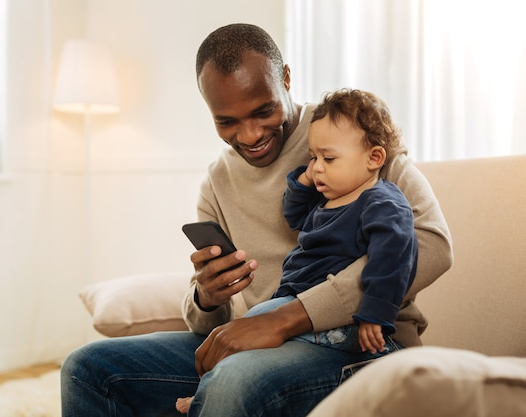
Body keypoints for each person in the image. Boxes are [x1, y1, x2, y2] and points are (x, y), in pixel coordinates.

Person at [61, 23, 452, 417]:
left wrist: (288, 318)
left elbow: (432, 246)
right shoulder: (218, 181)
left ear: (285, 78)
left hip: (361, 343)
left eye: (264, 111)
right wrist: (207, 297)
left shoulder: (347, 133)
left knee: (236, 380)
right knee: (87, 369)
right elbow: (206, 322)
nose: (249, 135)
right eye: (226, 121)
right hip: (256, 342)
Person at [175, 88, 419, 414]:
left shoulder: (381, 201)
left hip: (340, 327)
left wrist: (374, 315)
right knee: (91, 365)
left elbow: (393, 259)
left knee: (249, 330)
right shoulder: (328, 199)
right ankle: (207, 394)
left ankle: (204, 399)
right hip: (293, 308)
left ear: (374, 158)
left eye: (327, 159)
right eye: (313, 157)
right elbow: (293, 216)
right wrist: (303, 181)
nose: (317, 167)